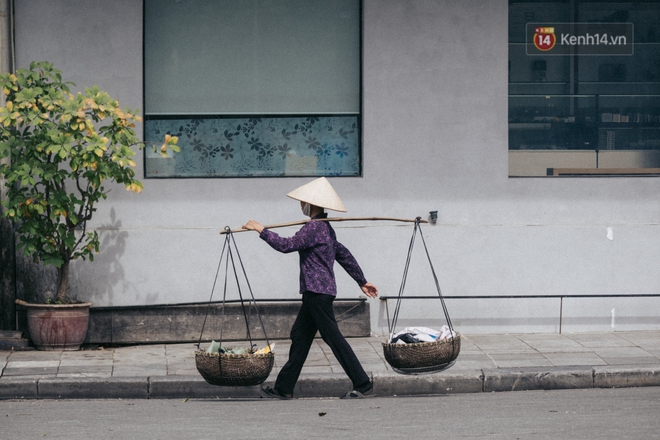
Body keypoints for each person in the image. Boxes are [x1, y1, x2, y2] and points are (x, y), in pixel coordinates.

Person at [242, 177, 379, 399]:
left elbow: (286, 245)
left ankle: (362, 383)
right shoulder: (326, 228)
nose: (300, 205)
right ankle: (283, 388)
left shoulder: (314, 227)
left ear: (309, 204)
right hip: (317, 292)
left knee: (333, 338)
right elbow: (343, 253)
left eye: (302, 202)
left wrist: (260, 229)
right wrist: (361, 280)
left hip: (317, 292)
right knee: (300, 336)